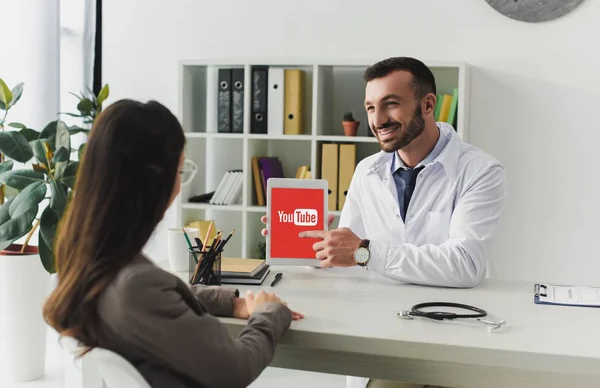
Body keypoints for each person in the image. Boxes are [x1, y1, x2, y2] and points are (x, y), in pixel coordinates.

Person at [261, 57, 507, 388]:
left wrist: (363, 251)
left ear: (428, 104)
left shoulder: (480, 171)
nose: (378, 120)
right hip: (380, 330)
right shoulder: (367, 171)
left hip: (450, 333)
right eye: (371, 107)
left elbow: (465, 265)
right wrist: (312, 242)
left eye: (391, 105)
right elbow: (348, 257)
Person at [43, 99, 303, 388]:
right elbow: (236, 368)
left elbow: (160, 300)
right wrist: (268, 314)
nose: (179, 187)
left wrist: (233, 303)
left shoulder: (86, 261)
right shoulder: (136, 286)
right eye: (179, 172)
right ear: (153, 181)